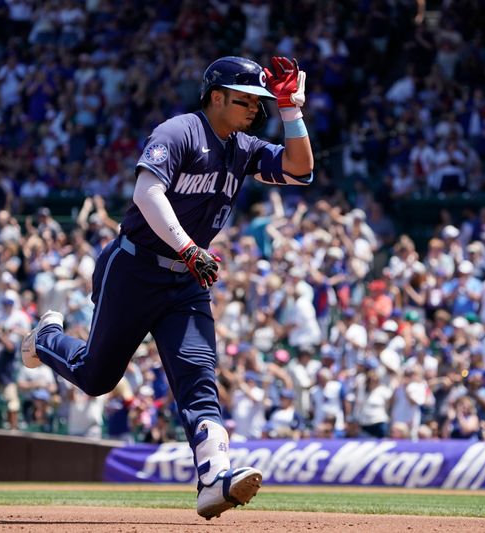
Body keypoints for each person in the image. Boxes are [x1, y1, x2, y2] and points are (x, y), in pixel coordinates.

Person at [21, 56, 313, 519]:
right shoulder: (179, 132)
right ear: (216, 96)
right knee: (97, 378)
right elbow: (146, 194)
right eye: (247, 100)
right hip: (134, 269)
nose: (255, 110)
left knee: (199, 378)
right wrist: (188, 247)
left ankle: (214, 480)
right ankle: (46, 339)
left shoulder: (244, 145)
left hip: (187, 280)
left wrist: (290, 110)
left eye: (260, 103)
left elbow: (300, 168)